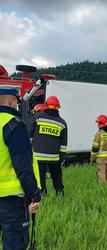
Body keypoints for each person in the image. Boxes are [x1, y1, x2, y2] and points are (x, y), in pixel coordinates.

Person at [0, 86, 41, 250]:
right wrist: (33, 194)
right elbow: (23, 164)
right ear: (11, 101)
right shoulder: (13, 125)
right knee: (14, 244)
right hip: (11, 200)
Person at [30, 96, 67, 196]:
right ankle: (60, 194)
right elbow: (63, 145)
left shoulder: (37, 118)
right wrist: (61, 159)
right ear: (58, 107)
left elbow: (30, 135)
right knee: (57, 177)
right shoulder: (62, 123)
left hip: (38, 156)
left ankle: (43, 196)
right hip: (54, 157)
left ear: (46, 105)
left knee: (40, 178)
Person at [90, 115, 107, 183]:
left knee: (101, 174)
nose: (97, 125)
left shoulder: (98, 134)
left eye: (98, 123)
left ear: (102, 124)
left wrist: (92, 159)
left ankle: (103, 190)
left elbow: (94, 149)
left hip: (100, 159)